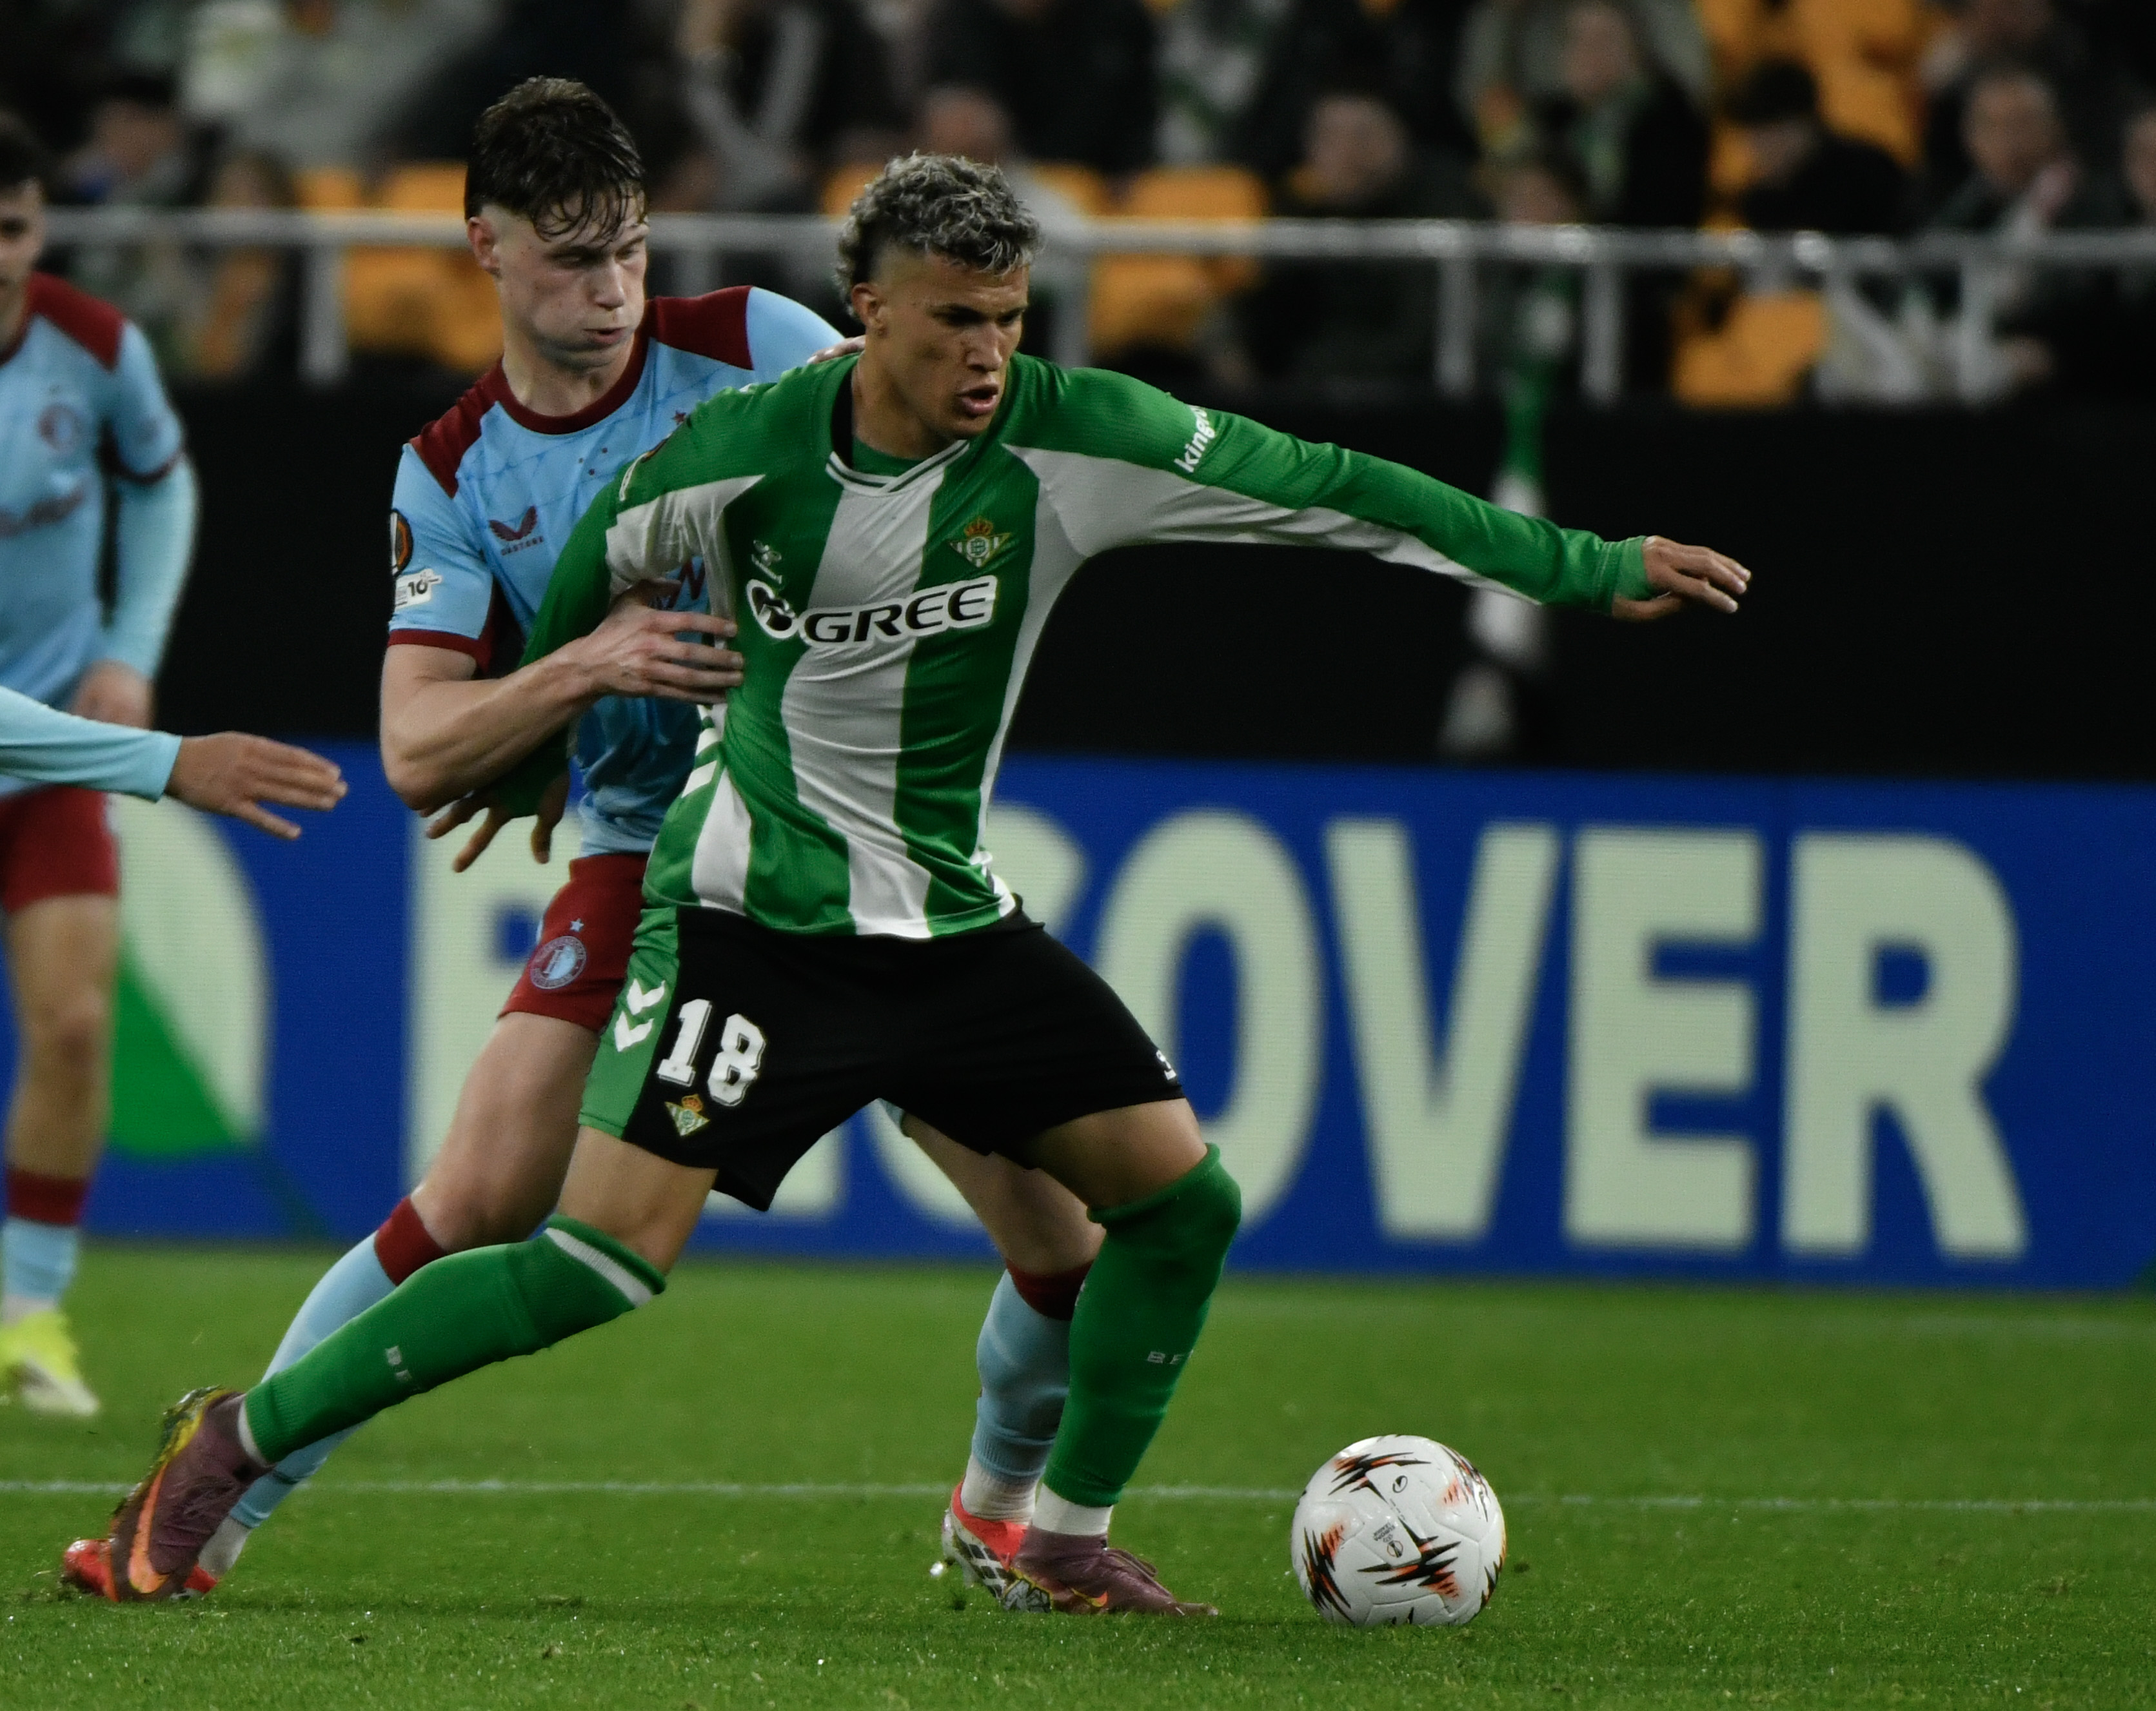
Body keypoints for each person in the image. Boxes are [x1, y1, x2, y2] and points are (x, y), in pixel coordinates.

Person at [80, 150, 1749, 1614]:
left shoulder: (1072, 440)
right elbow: (596, 578)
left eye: (1010, 318)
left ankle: (1049, 1535)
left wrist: (1581, 566)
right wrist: (538, 754)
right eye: (955, 320)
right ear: (863, 310)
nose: (988, 354)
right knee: (590, 1260)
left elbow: (1321, 487)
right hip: (750, 920)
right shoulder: (730, 457)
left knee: (1178, 1208)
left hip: (945, 928)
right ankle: (240, 1437)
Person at [59, 79, 1103, 1605]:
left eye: (626, 251)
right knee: (481, 1193)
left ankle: (998, 1520)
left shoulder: (751, 346)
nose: (610, 292)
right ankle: (213, 1498)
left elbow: (937, 496)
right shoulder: (456, 467)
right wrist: (576, 672)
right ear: (482, 247)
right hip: (653, 859)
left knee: (1058, 1235)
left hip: (845, 835)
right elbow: (417, 749)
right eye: (568, 259)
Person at [0, 109, 205, 1416]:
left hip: (55, 750)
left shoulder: (92, 347)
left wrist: (129, 648)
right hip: (55, 738)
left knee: (75, 1026)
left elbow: (166, 483)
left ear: (42, 225)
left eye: (12, 228)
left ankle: (28, 1314)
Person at [1240, 88, 1478, 383]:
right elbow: (1260, 329)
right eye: (1329, 138)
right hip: (1303, 397)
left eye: (1363, 136)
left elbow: (1421, 337)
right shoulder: (1297, 210)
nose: (1347, 153)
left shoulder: (1443, 206)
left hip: (1411, 399)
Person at [922, 0, 1159, 176]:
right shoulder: (960, 22)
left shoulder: (1119, 19)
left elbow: (1143, 110)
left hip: (1099, 183)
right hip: (1004, 173)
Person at [1726, 57, 1912, 236]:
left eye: (1772, 134)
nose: (1761, 149)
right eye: (1754, 138)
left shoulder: (1869, 173)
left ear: (1805, 123)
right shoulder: (1762, 200)